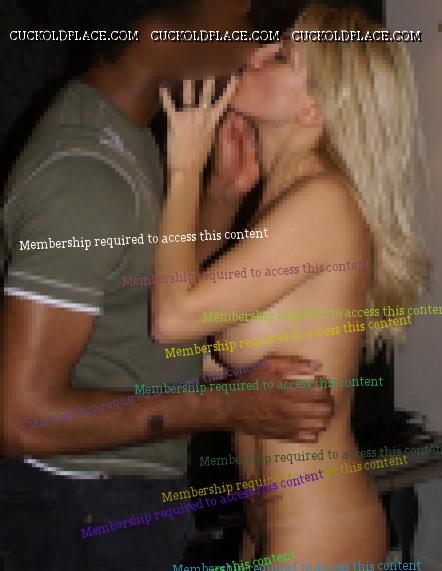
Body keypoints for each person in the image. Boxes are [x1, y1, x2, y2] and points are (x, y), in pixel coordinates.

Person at [2, 1, 334, 569]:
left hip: (107, 499)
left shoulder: (126, 135)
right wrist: (225, 406)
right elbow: (23, 419)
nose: (247, 48)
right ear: (164, 28)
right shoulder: (85, 172)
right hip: (83, 509)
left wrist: (220, 196)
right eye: (238, 25)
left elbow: (142, 300)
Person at [154, 1, 430, 565]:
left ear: (314, 107)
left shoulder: (321, 202)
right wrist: (221, 193)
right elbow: (188, 335)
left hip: (320, 529)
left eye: (280, 56)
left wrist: (184, 168)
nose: (254, 53)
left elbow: (172, 318)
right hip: (270, 524)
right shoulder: (286, 201)